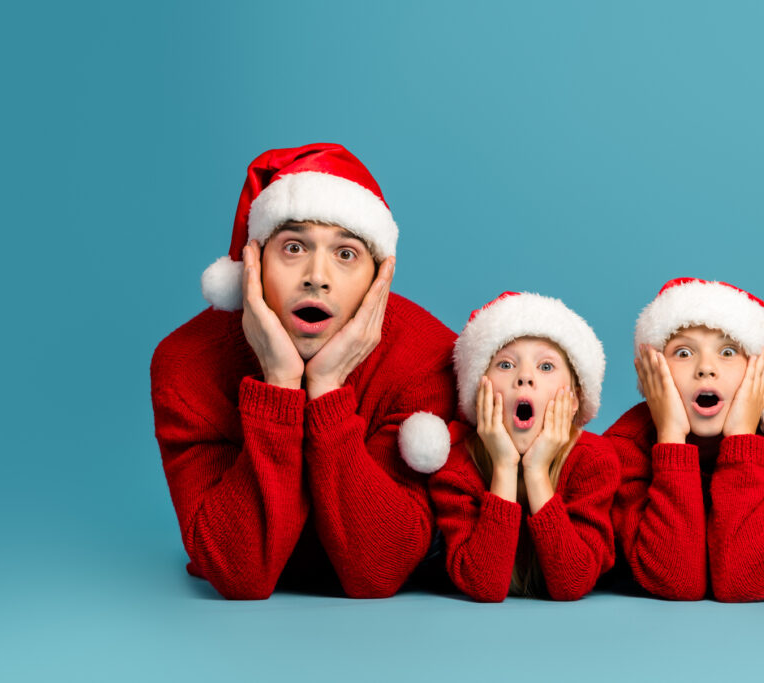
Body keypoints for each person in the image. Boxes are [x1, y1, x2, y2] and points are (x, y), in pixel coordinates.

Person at [150, 143, 455, 600]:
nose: (317, 275)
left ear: (379, 279)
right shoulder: (187, 364)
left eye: (346, 254)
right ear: (253, 264)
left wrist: (328, 389)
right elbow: (238, 573)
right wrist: (280, 384)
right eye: (294, 247)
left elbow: (378, 571)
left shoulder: (425, 356)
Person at [607, 278, 764, 601]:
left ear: (762, 372)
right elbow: (676, 581)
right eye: (684, 352)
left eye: (728, 351)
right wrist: (671, 440)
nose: (706, 368)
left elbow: (744, 583)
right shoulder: (624, 448)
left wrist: (742, 440)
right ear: (652, 370)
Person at [428, 292, 619, 601]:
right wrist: (504, 467)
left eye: (546, 367)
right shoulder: (457, 464)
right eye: (505, 364)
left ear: (573, 400)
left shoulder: (593, 460)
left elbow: (572, 583)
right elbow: (483, 586)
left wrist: (537, 471)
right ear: (479, 393)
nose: (525, 377)